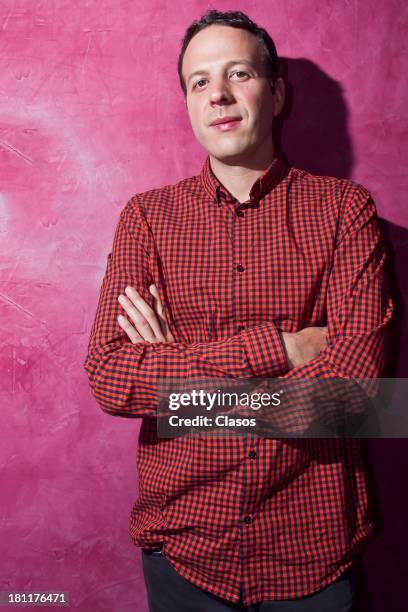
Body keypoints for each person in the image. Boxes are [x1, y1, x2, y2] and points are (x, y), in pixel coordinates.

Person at [83, 9, 394, 611]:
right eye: (199, 82)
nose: (218, 94)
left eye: (238, 74)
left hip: (315, 554)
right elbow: (111, 378)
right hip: (183, 555)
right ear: (188, 103)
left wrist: (182, 378)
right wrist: (280, 349)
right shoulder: (148, 218)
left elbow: (356, 396)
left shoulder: (344, 212)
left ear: (276, 93)